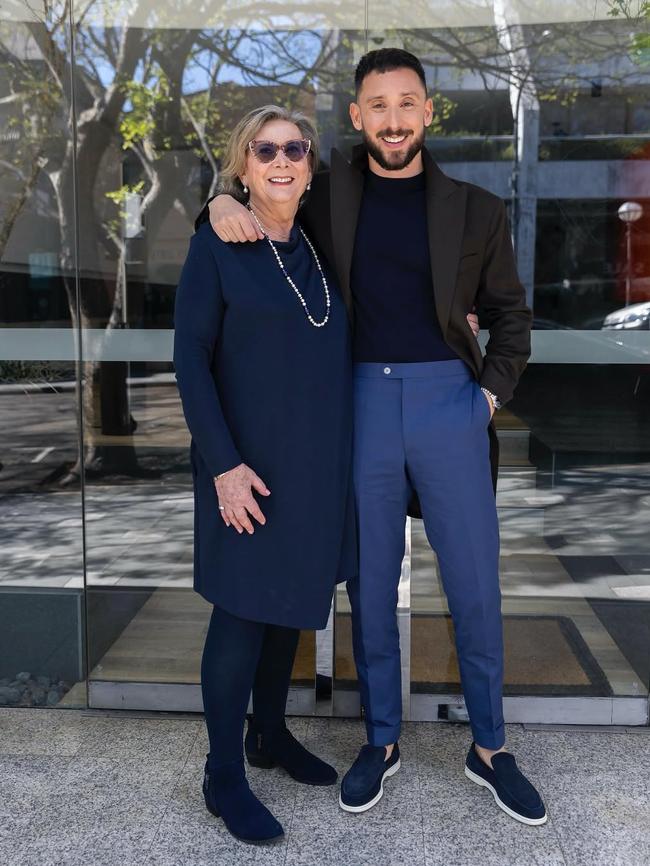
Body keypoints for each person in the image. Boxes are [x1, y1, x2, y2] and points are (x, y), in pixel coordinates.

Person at [200, 48, 547, 827]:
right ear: (357, 118)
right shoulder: (328, 193)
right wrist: (219, 197)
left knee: (474, 584)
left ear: (428, 112)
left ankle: (490, 748)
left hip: (449, 404)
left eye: (407, 103)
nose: (393, 118)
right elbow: (264, 188)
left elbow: (513, 319)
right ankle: (381, 739)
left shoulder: (478, 208)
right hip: (357, 403)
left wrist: (486, 398)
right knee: (372, 583)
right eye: (377, 105)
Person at [173, 105, 358, 845]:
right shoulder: (215, 244)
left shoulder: (317, 244)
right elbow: (190, 362)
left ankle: (269, 734)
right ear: (242, 165)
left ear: (311, 166)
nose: (282, 160)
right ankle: (223, 774)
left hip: (313, 467)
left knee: (289, 607)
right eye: (265, 150)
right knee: (242, 612)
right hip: (244, 466)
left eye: (295, 149)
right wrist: (223, 466)